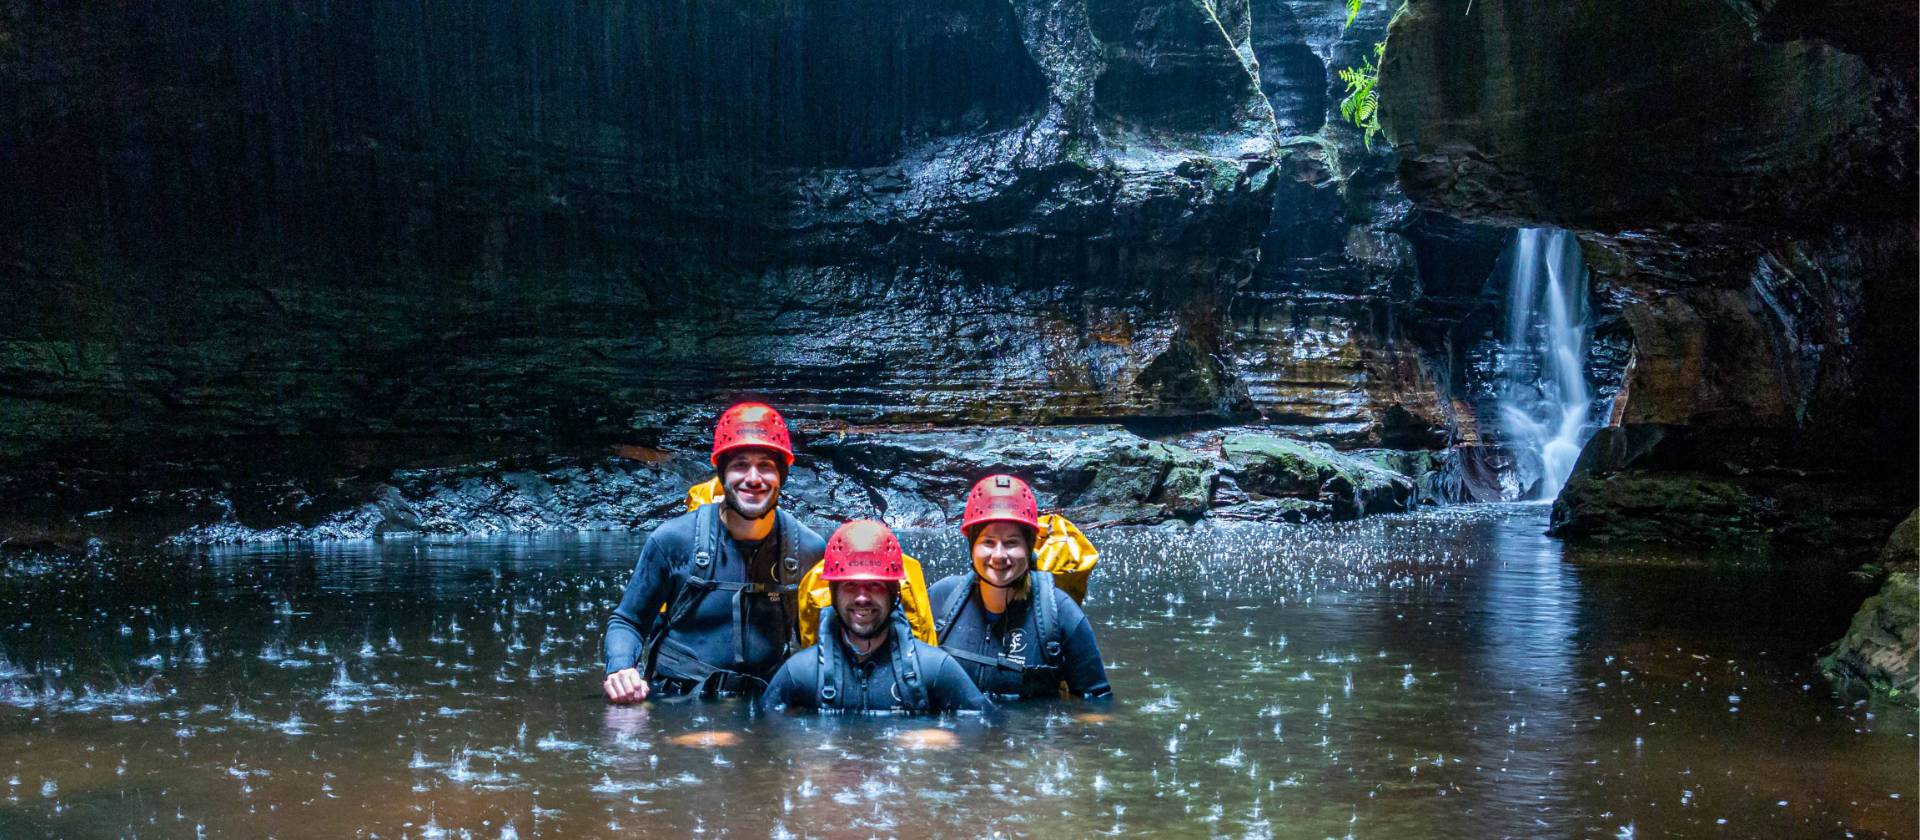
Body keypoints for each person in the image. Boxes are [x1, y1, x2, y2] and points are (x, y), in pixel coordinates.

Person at [602, 402, 826, 701]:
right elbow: (628, 621)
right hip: (677, 702)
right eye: (740, 465)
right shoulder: (673, 540)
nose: (754, 478)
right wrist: (620, 668)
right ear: (720, 472)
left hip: (763, 705)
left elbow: (820, 641)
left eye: (766, 466)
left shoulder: (808, 550)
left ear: (783, 475)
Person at [761, 520, 989, 714]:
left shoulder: (935, 669)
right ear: (833, 593)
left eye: (875, 585)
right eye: (850, 585)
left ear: (894, 594)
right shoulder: (799, 674)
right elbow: (765, 736)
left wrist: (941, 739)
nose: (862, 598)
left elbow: (988, 728)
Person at [926, 475, 1112, 700]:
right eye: (988, 542)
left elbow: (1097, 704)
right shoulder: (941, 599)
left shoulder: (1061, 612)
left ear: (1029, 547)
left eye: (1012, 542)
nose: (999, 555)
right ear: (972, 546)